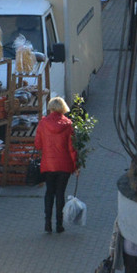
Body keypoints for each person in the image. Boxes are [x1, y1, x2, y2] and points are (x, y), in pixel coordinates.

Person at [34, 96, 78, 234]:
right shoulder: (68, 124)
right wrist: (76, 166)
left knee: (49, 193)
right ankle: (59, 225)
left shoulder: (43, 123)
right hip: (64, 165)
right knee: (60, 194)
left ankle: (47, 223)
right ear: (63, 108)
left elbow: (38, 145)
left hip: (48, 165)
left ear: (50, 108)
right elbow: (72, 148)